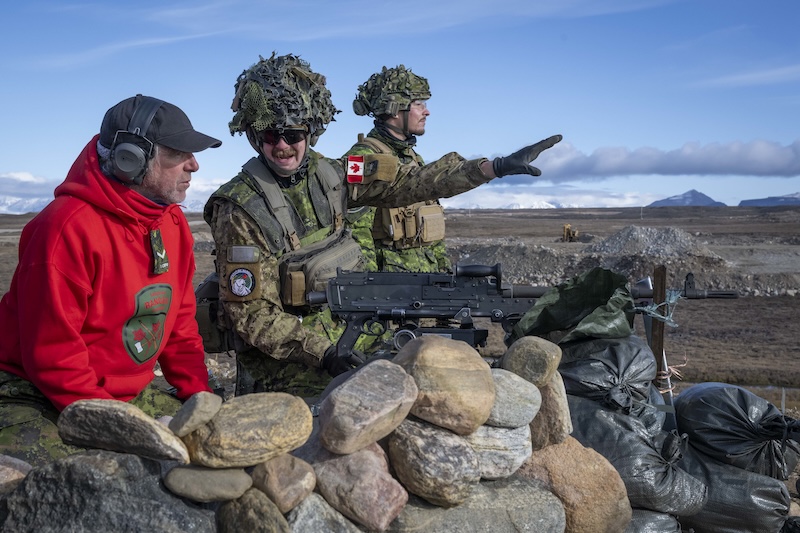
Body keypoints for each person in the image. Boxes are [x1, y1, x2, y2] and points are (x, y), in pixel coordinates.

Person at [203, 52, 561, 400]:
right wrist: (324, 354)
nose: (282, 146)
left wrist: (490, 168)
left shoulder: (331, 175)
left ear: (311, 129)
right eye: (269, 135)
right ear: (253, 136)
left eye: (293, 133)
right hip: (288, 371)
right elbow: (251, 315)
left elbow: (411, 182)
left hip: (353, 344)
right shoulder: (240, 208)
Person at [0, 94, 222, 467]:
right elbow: (54, 359)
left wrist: (198, 397)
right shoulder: (65, 229)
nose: (194, 165)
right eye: (179, 154)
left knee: (205, 450)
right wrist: (117, 431)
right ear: (130, 159)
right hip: (29, 392)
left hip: (117, 394)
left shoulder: (171, 222)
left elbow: (180, 324)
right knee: (94, 481)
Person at [346, 65, 449, 273]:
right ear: (394, 108)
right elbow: (355, 232)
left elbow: (433, 226)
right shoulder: (363, 157)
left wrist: (444, 270)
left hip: (425, 281)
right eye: (419, 104)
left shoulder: (413, 159)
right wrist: (370, 287)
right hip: (391, 287)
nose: (426, 111)